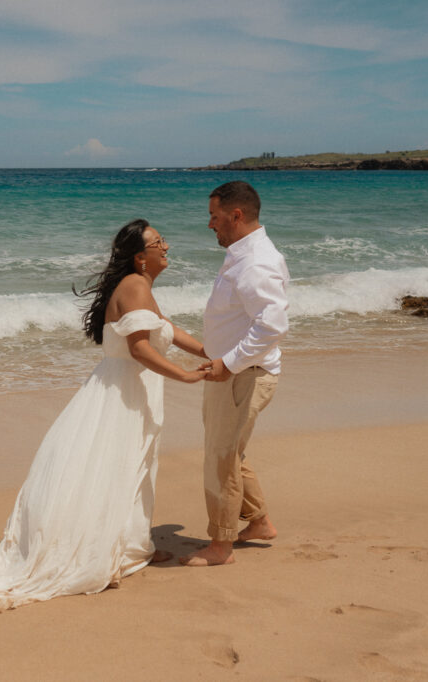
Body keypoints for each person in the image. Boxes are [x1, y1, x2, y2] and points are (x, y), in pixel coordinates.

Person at [0, 219, 209, 627]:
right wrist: (187, 376)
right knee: (120, 469)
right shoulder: (135, 286)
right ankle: (123, 548)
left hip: (123, 388)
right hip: (124, 391)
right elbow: (139, 350)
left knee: (128, 469)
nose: (166, 246)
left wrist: (209, 350)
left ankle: (134, 545)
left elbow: (164, 329)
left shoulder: (140, 287)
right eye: (158, 242)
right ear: (140, 256)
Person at [180, 181, 289, 568]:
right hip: (234, 372)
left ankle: (220, 545)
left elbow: (271, 325)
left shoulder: (256, 261)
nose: (210, 224)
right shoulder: (242, 254)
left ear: (236, 215)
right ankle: (258, 522)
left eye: (214, 216)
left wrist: (228, 363)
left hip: (242, 374)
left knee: (221, 457)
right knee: (229, 451)